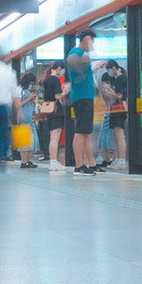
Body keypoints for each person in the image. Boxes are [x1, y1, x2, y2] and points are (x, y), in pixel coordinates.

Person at [66, 29, 106, 176]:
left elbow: (85, 69)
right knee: (81, 131)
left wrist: (95, 68)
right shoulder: (75, 52)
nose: (92, 43)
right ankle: (78, 165)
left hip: (86, 96)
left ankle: (92, 164)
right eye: (91, 40)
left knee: (86, 132)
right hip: (81, 97)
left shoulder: (80, 55)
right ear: (85, 39)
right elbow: (91, 55)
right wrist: (89, 44)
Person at [43, 61, 71, 171]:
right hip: (56, 110)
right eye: (62, 70)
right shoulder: (55, 79)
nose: (62, 72)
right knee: (55, 137)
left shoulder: (47, 79)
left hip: (49, 110)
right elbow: (58, 96)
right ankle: (53, 161)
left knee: (52, 137)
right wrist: (66, 90)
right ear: (58, 68)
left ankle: (53, 161)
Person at [104, 60, 128, 170]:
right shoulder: (117, 79)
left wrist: (109, 91)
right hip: (115, 107)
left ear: (114, 68)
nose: (109, 72)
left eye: (109, 70)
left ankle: (122, 160)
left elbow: (119, 95)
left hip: (120, 108)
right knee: (115, 135)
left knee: (119, 134)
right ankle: (117, 159)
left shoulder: (121, 78)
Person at [17, 73, 39, 169]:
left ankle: (28, 161)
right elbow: (18, 104)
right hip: (22, 117)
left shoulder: (25, 90)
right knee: (24, 140)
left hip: (29, 116)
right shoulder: (19, 90)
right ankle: (24, 161)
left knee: (32, 139)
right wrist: (29, 98)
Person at [97, 71, 115, 169]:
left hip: (111, 113)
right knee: (104, 133)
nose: (104, 85)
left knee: (108, 133)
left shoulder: (113, 90)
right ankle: (106, 157)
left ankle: (110, 157)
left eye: (106, 83)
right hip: (107, 113)